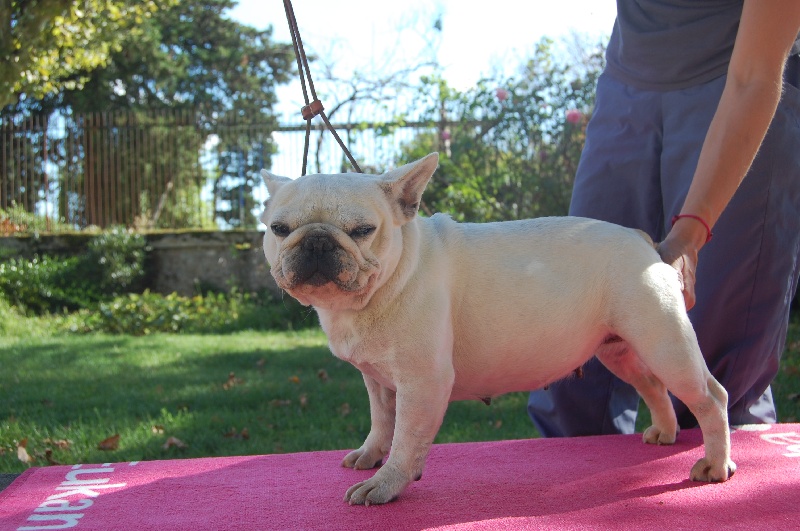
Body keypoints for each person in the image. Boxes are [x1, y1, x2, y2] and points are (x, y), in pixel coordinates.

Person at [528, 0, 800, 436]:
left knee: (713, 362)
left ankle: (726, 471)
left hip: (741, 78)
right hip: (627, 85)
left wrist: (690, 234)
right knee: (572, 349)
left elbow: (754, 76)